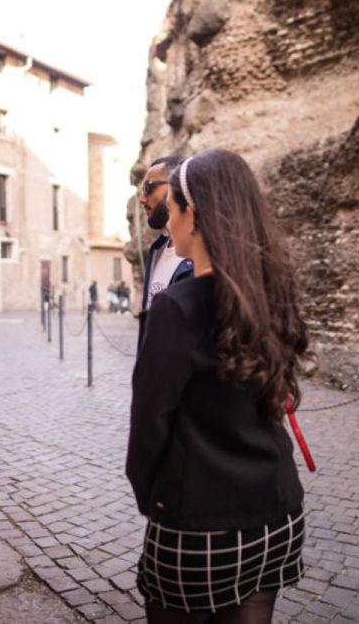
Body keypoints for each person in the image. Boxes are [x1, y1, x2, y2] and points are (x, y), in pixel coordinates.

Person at [126, 149, 309, 623]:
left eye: (174, 209)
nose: (167, 222)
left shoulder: (178, 307)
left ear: (196, 215)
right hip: (276, 510)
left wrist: (153, 499)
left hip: (199, 523)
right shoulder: (272, 292)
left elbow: (148, 426)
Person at [137, 156, 194, 349]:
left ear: (174, 186)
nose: (142, 199)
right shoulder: (156, 251)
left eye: (149, 187)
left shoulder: (197, 257)